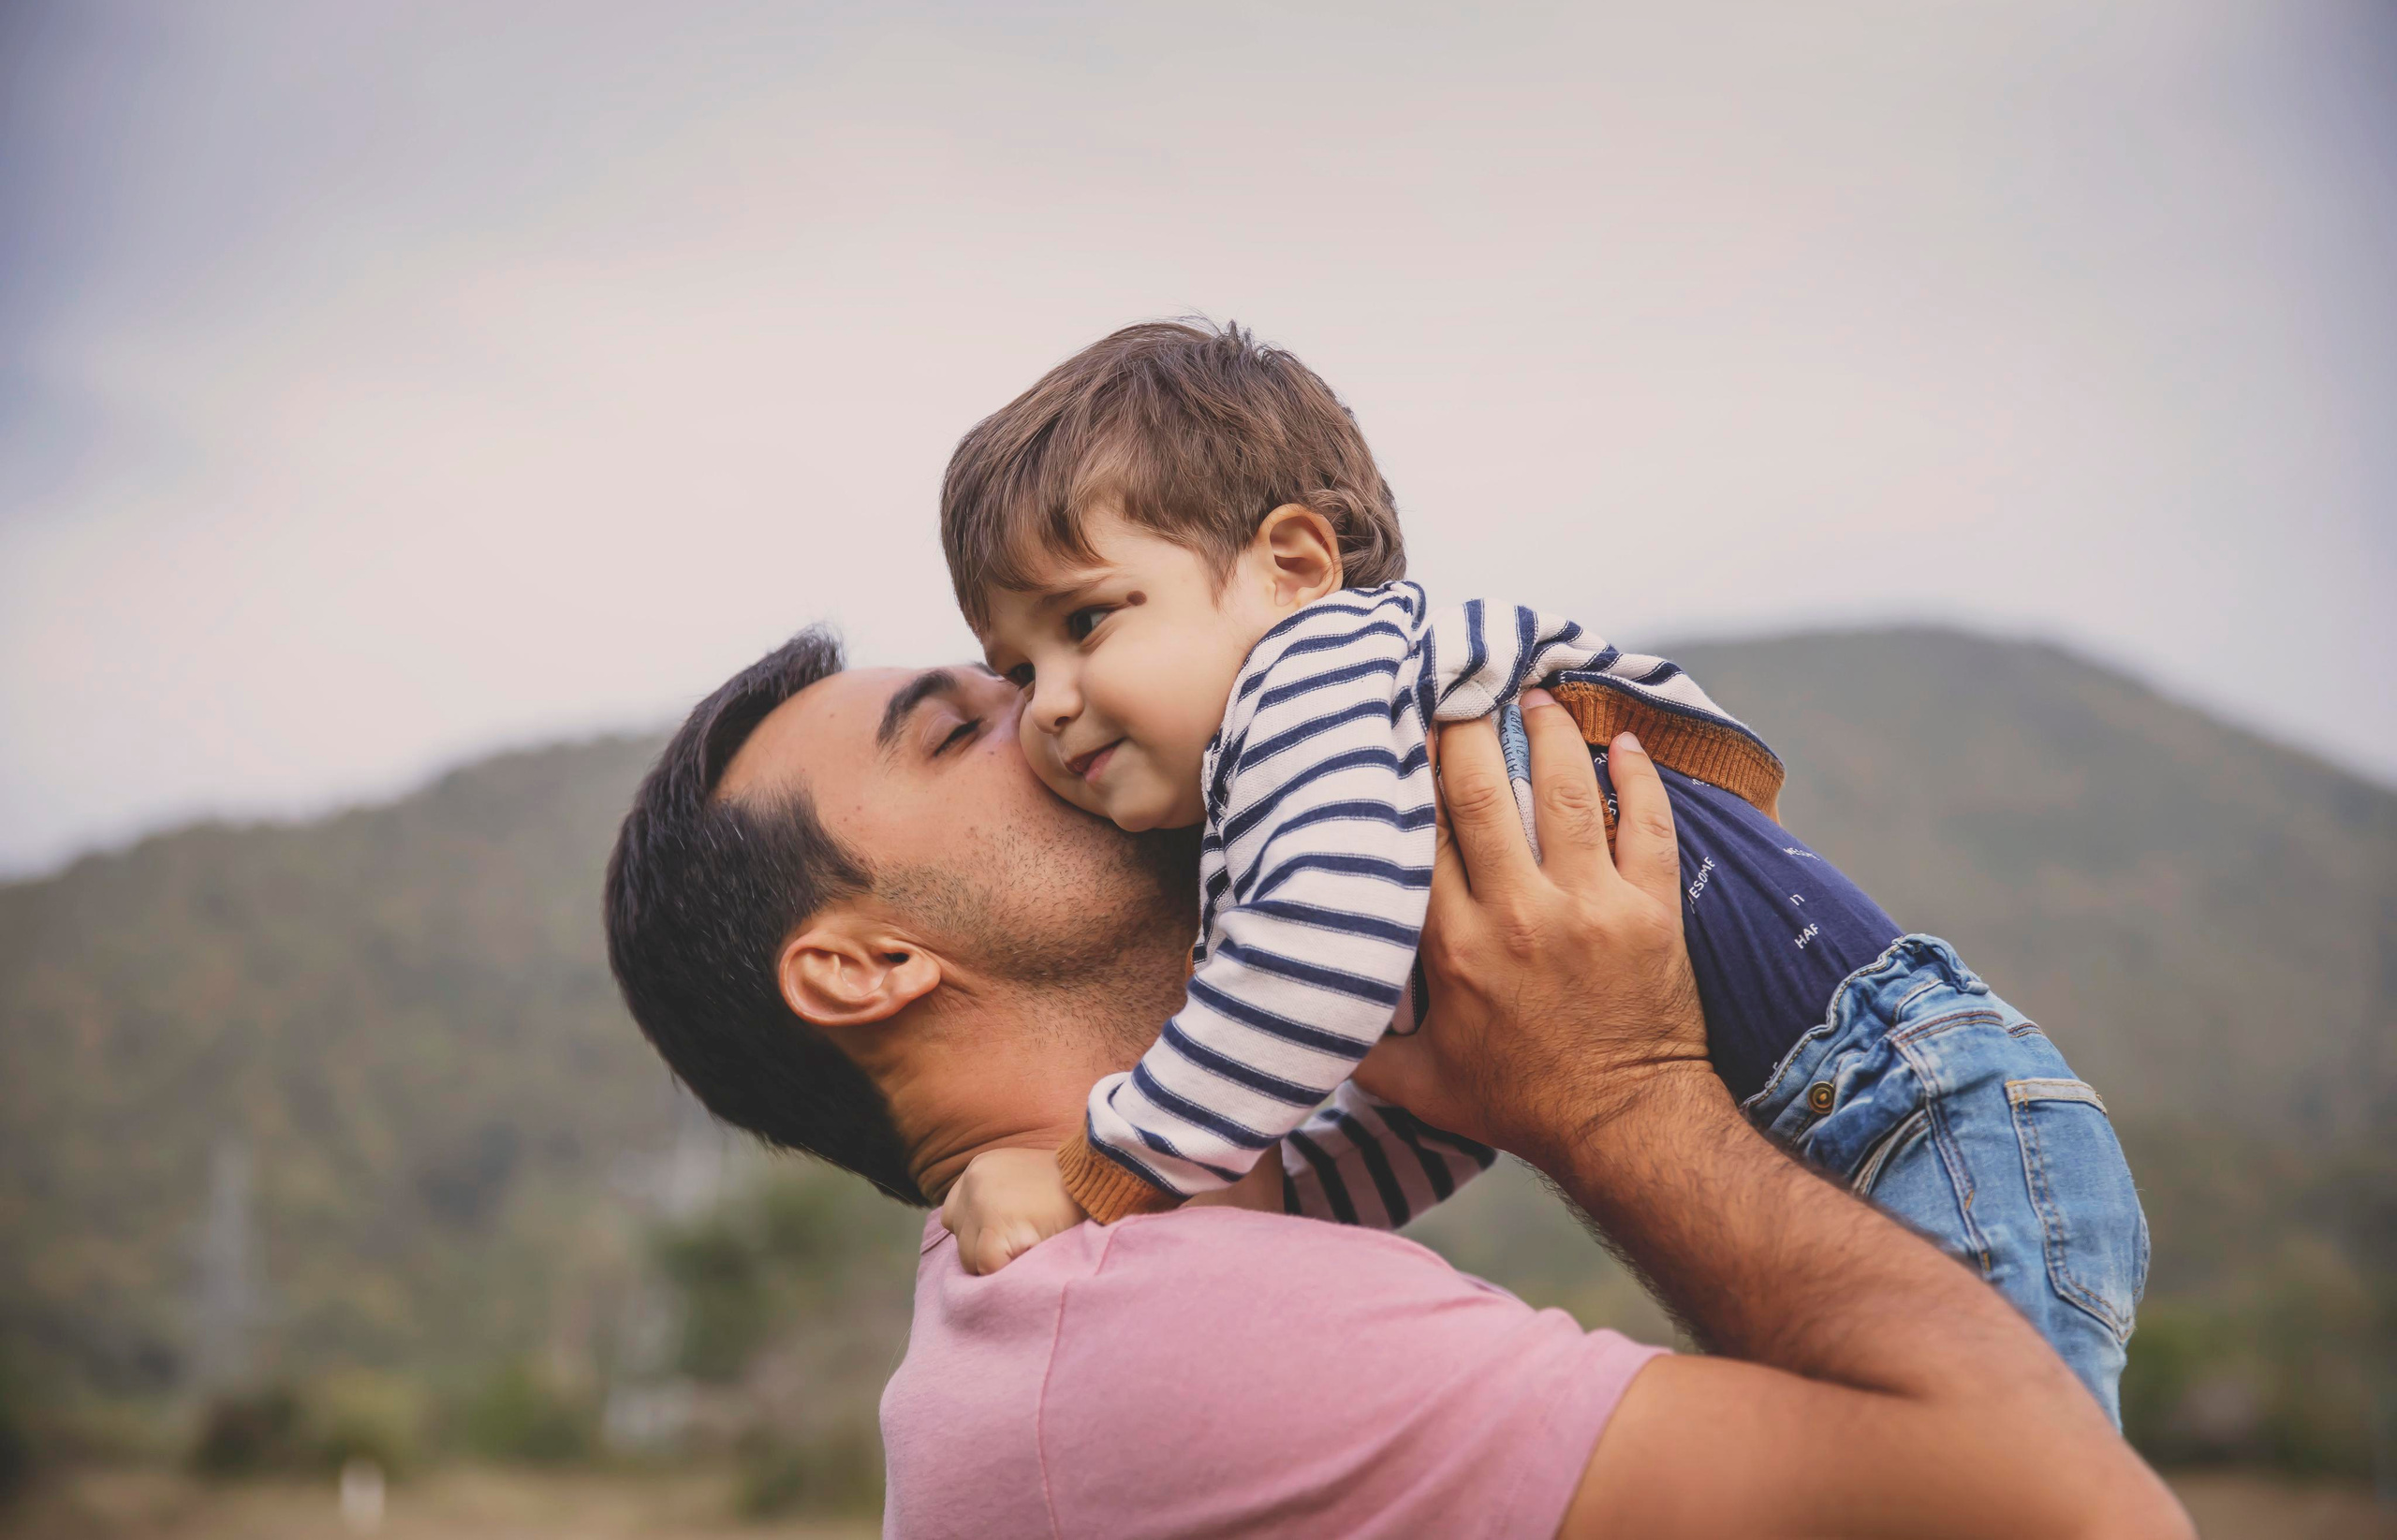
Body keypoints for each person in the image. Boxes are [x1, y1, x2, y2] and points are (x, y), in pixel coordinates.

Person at [601, 629, 2190, 1537]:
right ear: (863, 967)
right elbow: (2077, 1516)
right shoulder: (1148, 1341)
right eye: (962, 726)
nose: (1060, 705)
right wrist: (1616, 1092)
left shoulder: (1105, 1309)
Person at [931, 320, 2146, 1417]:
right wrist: (1269, 1199)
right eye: (1017, 670)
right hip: (1840, 1141)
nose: (1053, 703)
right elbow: (1441, 1114)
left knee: (2010, 1482)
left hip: (1918, 1113)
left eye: (1087, 621)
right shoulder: (1347, 795)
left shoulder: (1316, 669)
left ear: (1293, 566)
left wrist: (1103, 1172)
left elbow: (1311, 960)